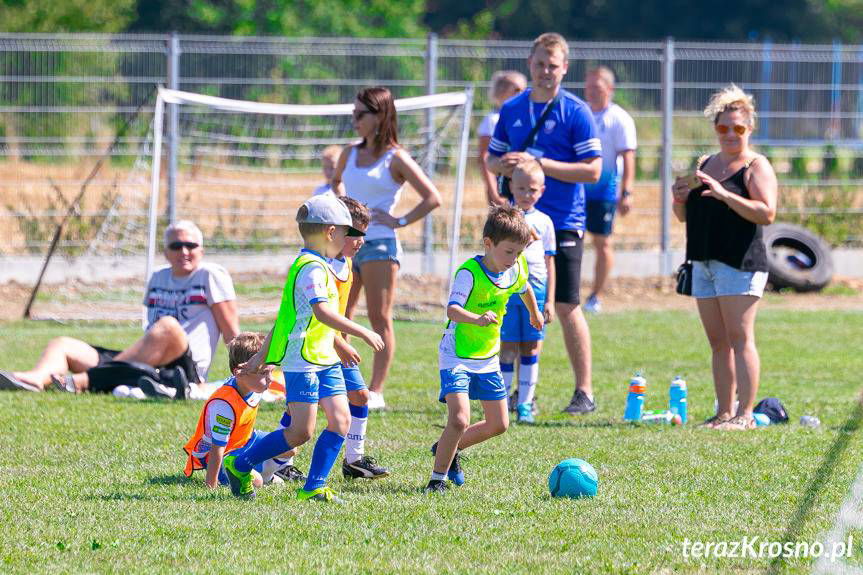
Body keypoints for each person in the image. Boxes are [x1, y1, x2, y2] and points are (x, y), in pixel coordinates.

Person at [222, 194, 384, 502]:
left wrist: (262, 356)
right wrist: (362, 331)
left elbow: (285, 318)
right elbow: (321, 312)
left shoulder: (323, 265)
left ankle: (314, 487)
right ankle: (240, 464)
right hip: (303, 361)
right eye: (346, 232)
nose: (349, 238)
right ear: (330, 232)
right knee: (300, 432)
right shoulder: (310, 268)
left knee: (340, 421)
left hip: (326, 359)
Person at [486, 32, 602, 416]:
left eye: (553, 65)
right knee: (509, 302)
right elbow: (491, 159)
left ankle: (584, 391)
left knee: (566, 304)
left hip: (563, 220)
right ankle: (517, 395)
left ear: (564, 68)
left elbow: (593, 170)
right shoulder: (513, 108)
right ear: (529, 64)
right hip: (517, 223)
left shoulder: (576, 111)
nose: (546, 71)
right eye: (540, 64)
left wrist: (539, 164)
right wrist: (504, 165)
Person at [0, 220, 239, 394]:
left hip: (182, 368)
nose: (184, 251)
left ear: (201, 250)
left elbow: (231, 334)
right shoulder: (158, 277)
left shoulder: (210, 275)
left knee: (168, 326)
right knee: (62, 344)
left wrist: (246, 372)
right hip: (145, 360)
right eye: (176, 246)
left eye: (190, 245)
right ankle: (36, 379)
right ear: (166, 252)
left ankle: (85, 380)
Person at [671, 84, 777, 431]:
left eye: (738, 128)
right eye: (723, 127)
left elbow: (767, 213)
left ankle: (745, 414)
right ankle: (723, 413)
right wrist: (679, 198)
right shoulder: (705, 164)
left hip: (740, 263)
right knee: (718, 343)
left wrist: (724, 194)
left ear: (750, 128)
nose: (731, 134)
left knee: (740, 339)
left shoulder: (756, 166)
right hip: (704, 262)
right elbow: (684, 217)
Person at [332, 86, 442, 411]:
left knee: (379, 317)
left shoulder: (396, 157)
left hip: (380, 244)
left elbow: (432, 197)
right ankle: (342, 383)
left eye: (360, 114)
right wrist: (343, 208)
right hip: (345, 245)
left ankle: (376, 390)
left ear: (380, 116)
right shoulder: (349, 153)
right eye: (353, 113)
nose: (354, 120)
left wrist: (399, 220)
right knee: (340, 315)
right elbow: (336, 181)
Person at [426, 205, 542, 494]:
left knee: (499, 424)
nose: (513, 259)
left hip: (487, 356)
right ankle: (436, 480)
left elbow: (523, 287)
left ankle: (447, 448)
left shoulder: (514, 268)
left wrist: (535, 313)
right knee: (459, 418)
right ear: (488, 244)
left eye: (519, 253)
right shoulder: (469, 273)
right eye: (509, 252)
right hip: (456, 354)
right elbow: (452, 310)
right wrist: (476, 319)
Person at [330, 197, 390, 479]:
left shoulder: (347, 265)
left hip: (334, 346)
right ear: (333, 231)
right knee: (300, 413)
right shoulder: (319, 267)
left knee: (361, 395)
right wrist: (341, 342)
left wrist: (341, 341)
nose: (361, 241)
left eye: (364, 234)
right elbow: (315, 316)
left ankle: (354, 460)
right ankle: (278, 462)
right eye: (355, 233)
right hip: (314, 348)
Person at [499, 161, 555, 424]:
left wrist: (549, 300)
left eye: (532, 190)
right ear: (511, 186)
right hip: (509, 291)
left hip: (537, 290)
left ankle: (524, 404)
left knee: (530, 349)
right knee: (508, 347)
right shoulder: (504, 218)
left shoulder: (545, 222)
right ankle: (501, 403)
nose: (525, 194)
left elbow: (549, 262)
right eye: (520, 188)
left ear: (541, 190)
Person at [183, 332, 276, 489]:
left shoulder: (252, 386)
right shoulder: (224, 405)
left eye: (271, 371)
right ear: (238, 372)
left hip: (243, 442)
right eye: (263, 372)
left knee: (287, 444)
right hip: (223, 455)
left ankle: (272, 473)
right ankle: (265, 475)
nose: (271, 378)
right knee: (257, 481)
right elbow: (217, 448)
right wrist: (211, 486)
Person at [582, 66, 637, 314]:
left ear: (610, 89)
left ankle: (596, 295)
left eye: (597, 87)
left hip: (604, 191)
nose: (591, 92)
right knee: (569, 239)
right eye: (588, 87)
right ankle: (564, 290)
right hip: (576, 188)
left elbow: (628, 157)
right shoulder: (581, 113)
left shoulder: (619, 118)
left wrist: (626, 192)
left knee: (602, 242)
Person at [477, 70, 528, 206]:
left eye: (524, 90)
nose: (522, 94)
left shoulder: (526, 119)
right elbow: (484, 158)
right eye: (516, 90)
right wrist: (494, 191)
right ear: (501, 92)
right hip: (502, 186)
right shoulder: (492, 120)